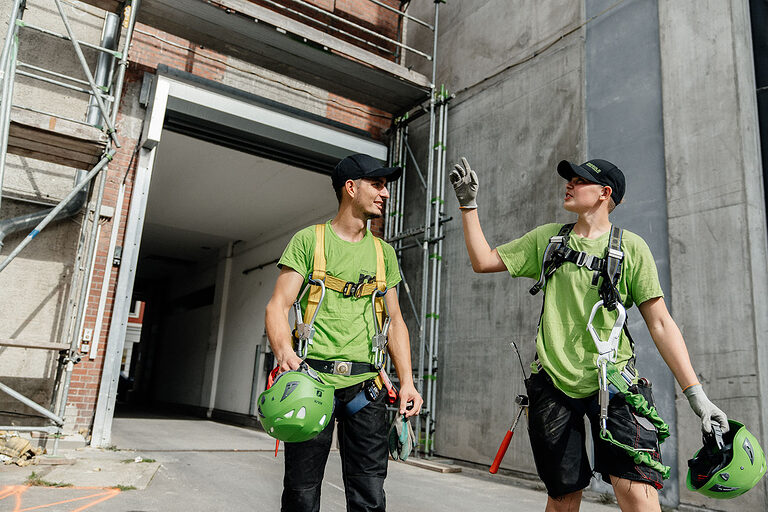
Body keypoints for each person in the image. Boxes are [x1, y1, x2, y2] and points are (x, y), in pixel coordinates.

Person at [449, 157, 728, 512]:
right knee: (563, 498)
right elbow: (482, 261)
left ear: (604, 193)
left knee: (638, 495)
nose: (569, 184)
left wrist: (697, 397)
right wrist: (468, 205)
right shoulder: (547, 239)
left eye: (579, 180)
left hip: (616, 385)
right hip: (553, 385)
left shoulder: (631, 248)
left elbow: (660, 323)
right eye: (570, 178)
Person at [265, 153, 423, 512]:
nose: (385, 194)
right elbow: (277, 305)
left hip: (367, 390)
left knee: (369, 497)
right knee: (301, 495)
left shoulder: (384, 253)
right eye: (377, 185)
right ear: (351, 188)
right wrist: (284, 352)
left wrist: (408, 382)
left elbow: (396, 321)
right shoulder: (309, 241)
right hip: (311, 383)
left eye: (385, 187)